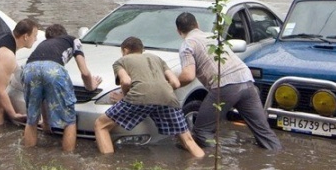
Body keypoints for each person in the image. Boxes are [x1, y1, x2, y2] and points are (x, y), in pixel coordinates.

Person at [175, 12, 282, 151]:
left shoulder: (187, 44)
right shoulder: (214, 37)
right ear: (197, 25)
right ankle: (276, 161)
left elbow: (188, 76)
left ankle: (216, 166)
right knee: (263, 132)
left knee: (202, 131)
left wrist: (171, 83)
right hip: (247, 80)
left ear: (178, 31)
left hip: (225, 85)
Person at [94, 36, 205, 158]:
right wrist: (161, 91)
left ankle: (106, 166)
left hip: (139, 97)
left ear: (124, 50)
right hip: (168, 98)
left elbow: (125, 81)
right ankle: (204, 166)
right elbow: (176, 83)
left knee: (101, 125)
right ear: (142, 50)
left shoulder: (121, 62)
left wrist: (125, 98)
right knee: (187, 139)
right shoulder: (157, 59)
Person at [22, 24, 101, 152]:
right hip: (53, 70)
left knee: (31, 119)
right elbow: (85, 73)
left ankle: (28, 157)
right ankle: (67, 160)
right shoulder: (73, 40)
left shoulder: (43, 44)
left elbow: (43, 94)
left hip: (29, 68)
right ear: (64, 33)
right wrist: (91, 86)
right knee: (69, 120)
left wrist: (46, 124)